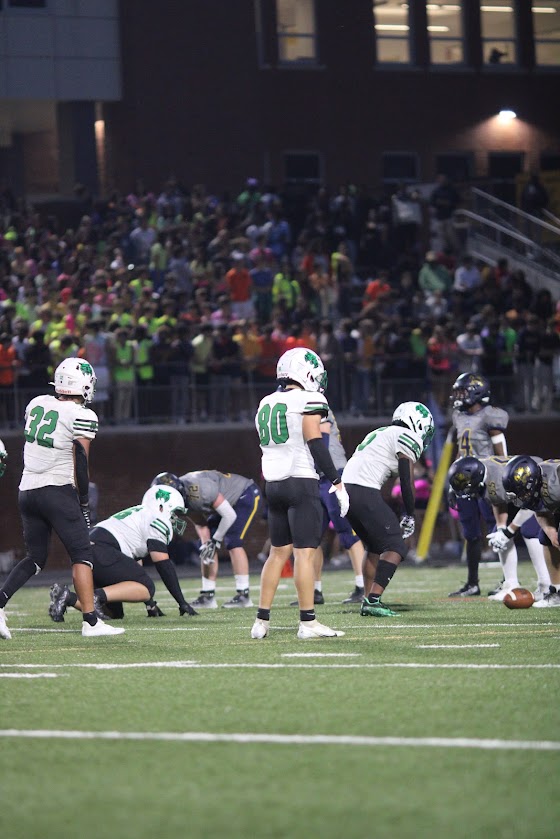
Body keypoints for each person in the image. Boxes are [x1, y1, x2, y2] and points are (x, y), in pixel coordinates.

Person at [0, 358, 124, 640]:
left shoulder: (37, 403)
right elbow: (81, 459)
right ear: (83, 384)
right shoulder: (82, 415)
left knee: (35, 558)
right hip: (57, 490)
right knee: (82, 555)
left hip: (27, 490)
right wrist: (82, 499)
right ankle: (91, 622)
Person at [251, 347, 349, 640]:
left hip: (274, 484)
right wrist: (336, 480)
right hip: (300, 481)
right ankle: (308, 622)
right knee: (304, 555)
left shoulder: (266, 401)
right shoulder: (311, 398)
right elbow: (315, 440)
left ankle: (261, 621)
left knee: (277, 553)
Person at [48, 482, 196, 622]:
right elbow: (164, 565)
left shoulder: (138, 515)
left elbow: (133, 566)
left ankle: (67, 597)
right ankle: (95, 596)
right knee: (147, 587)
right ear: (162, 506)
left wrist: (150, 604)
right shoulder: (156, 518)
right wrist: (182, 602)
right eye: (175, 512)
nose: (175, 518)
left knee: (114, 614)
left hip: (87, 553)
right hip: (101, 552)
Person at [342, 401, 434, 618]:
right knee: (397, 546)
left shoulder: (381, 432)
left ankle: (368, 598)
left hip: (346, 490)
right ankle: (373, 600)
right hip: (363, 490)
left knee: (374, 547)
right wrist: (409, 513)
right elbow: (406, 480)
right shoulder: (406, 436)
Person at [448, 456, 549, 601]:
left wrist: (509, 531)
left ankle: (545, 585)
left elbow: (530, 504)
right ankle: (511, 583)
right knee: (498, 532)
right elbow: (497, 501)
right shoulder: (484, 474)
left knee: (529, 530)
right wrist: (502, 528)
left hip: (539, 490)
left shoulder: (498, 478)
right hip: (522, 496)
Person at [447, 372, 509, 598]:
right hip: (465, 480)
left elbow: (502, 453)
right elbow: (459, 451)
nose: (459, 396)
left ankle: (508, 579)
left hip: (487, 478)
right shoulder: (459, 416)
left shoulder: (491, 416)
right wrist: (453, 483)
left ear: (477, 391)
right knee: (471, 533)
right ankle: (472, 583)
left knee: (497, 529)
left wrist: (502, 478)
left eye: (463, 391)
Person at [175, 469, 262, 608]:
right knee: (206, 547)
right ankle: (207, 596)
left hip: (244, 494)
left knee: (233, 541)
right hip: (224, 505)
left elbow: (229, 515)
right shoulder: (181, 499)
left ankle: (243, 595)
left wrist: (215, 540)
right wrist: (207, 543)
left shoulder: (201, 489)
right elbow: (200, 523)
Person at [502, 455, 560, 608]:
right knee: (545, 537)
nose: (521, 497)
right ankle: (557, 590)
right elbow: (540, 512)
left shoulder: (556, 478)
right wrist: (551, 532)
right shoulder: (536, 484)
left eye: (522, 492)